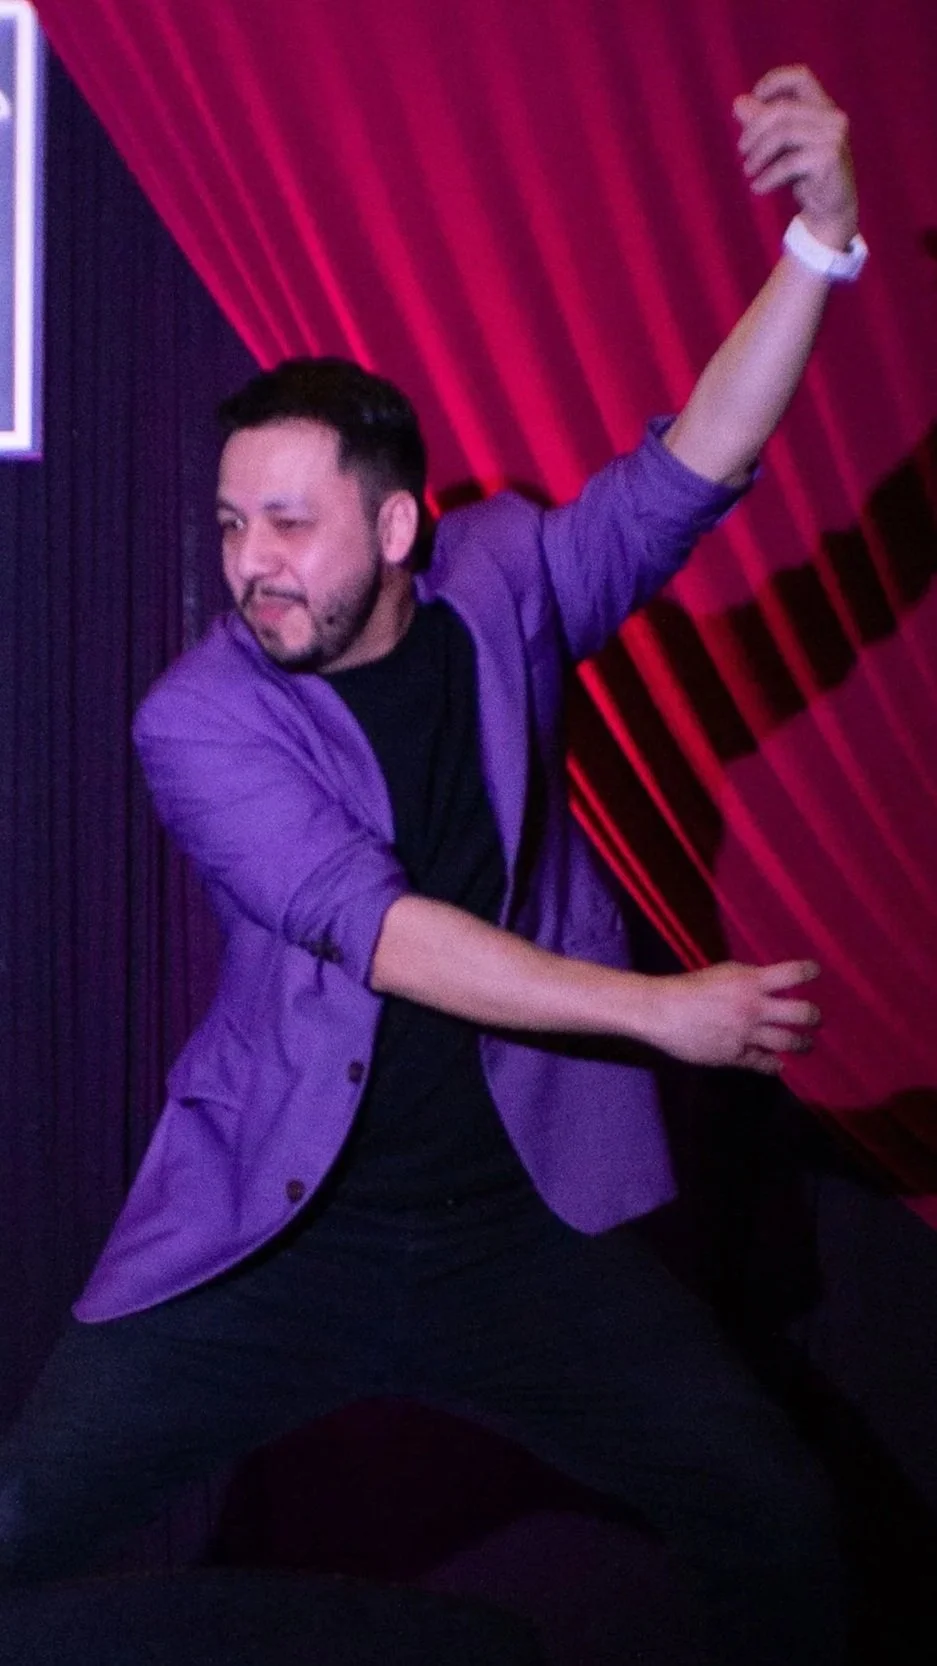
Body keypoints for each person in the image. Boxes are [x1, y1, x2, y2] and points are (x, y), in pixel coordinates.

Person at [1, 65, 866, 1664]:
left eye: (289, 525)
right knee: (19, 1525)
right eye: (228, 526)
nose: (251, 565)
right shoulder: (196, 721)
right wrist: (657, 1011)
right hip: (285, 1223)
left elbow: (688, 473)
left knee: (776, 1514)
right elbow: (380, 929)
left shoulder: (512, 573)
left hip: (516, 1220)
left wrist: (818, 247)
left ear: (399, 530)